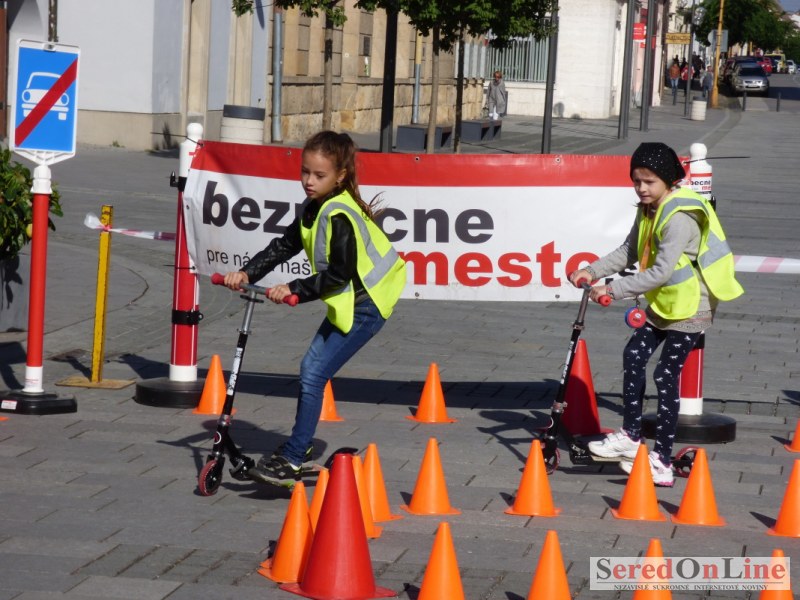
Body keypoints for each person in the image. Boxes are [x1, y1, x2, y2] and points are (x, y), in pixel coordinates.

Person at [223, 130, 407, 488]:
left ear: (339, 176)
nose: (308, 181)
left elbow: (338, 275)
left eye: (318, 175)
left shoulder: (338, 215)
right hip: (352, 301)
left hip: (368, 304)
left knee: (313, 373)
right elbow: (284, 246)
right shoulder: (314, 206)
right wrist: (247, 272)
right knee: (310, 369)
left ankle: (294, 458)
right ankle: (300, 446)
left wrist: (294, 288)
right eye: (305, 171)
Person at [568, 142, 743, 487]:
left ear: (668, 179)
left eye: (649, 181)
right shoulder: (649, 210)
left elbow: (661, 272)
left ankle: (662, 461)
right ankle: (631, 437)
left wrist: (612, 290)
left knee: (665, 375)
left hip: (691, 305)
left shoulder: (679, 218)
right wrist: (592, 270)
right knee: (633, 354)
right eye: (636, 181)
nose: (641, 188)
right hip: (666, 302)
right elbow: (630, 250)